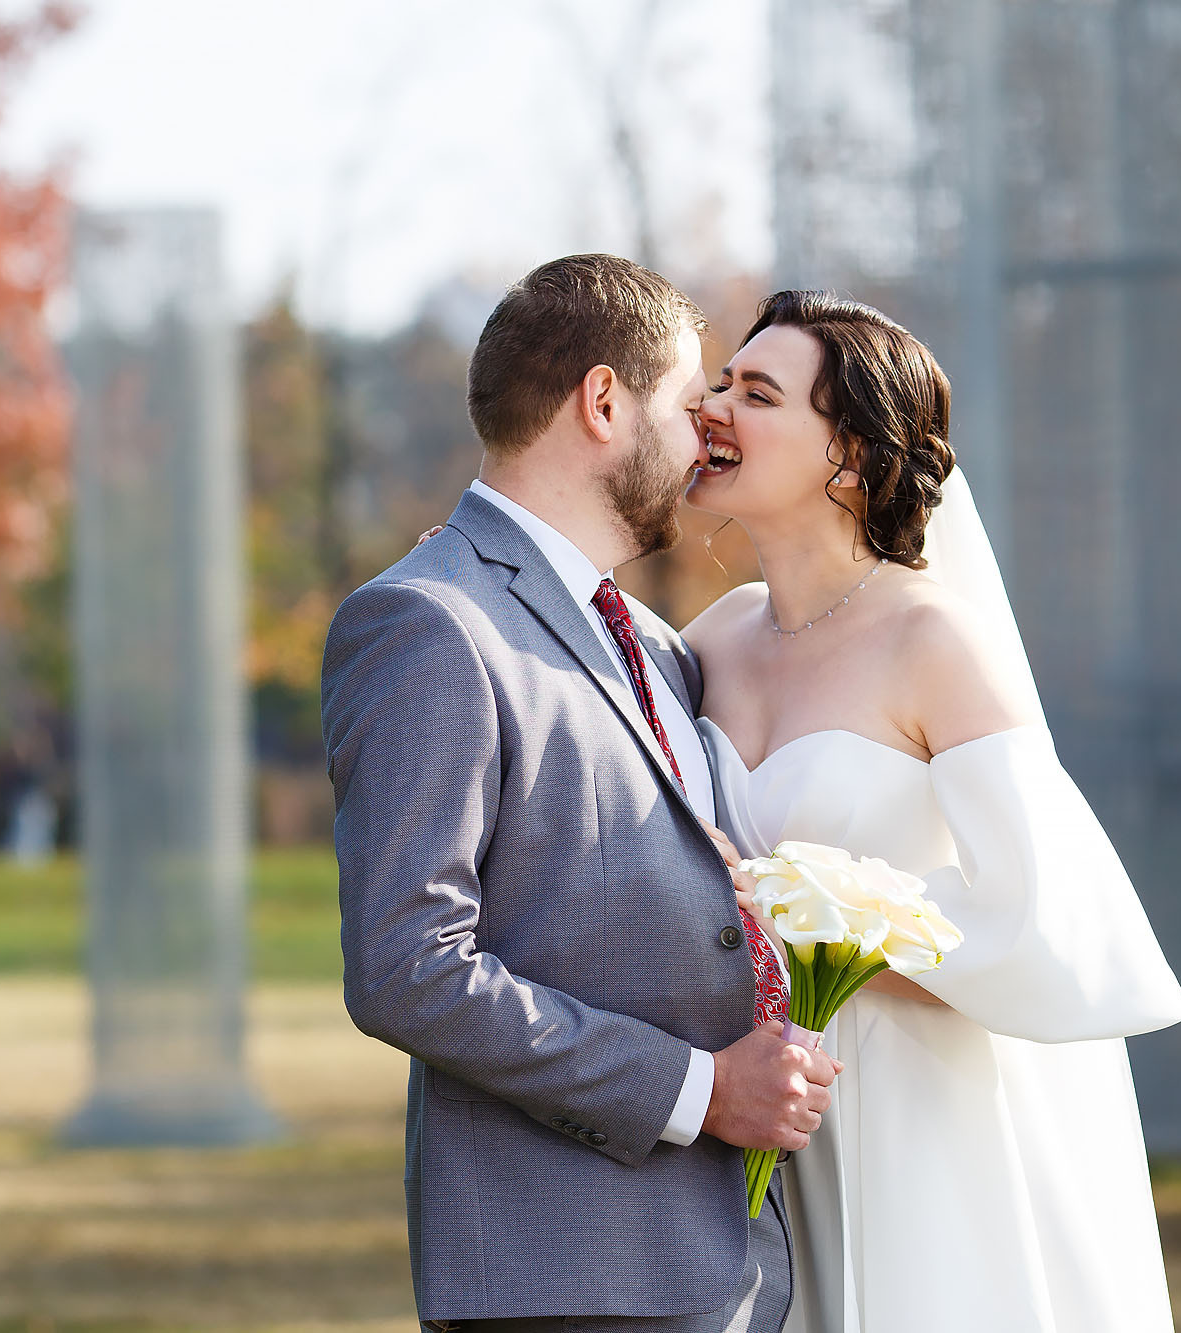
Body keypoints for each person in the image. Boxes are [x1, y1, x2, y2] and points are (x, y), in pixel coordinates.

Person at [321, 254, 839, 1333]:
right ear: (601, 401)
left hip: (728, 1267)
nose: (707, 431)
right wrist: (699, 1090)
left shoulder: (654, 644)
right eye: (689, 400)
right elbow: (406, 969)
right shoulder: (427, 624)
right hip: (566, 1279)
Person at [682, 290, 1181, 1332]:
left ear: (850, 457)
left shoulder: (931, 642)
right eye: (722, 381)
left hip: (919, 1108)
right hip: (761, 1110)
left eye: (757, 392)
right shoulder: (712, 637)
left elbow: (1038, 911)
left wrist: (827, 937)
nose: (710, 405)